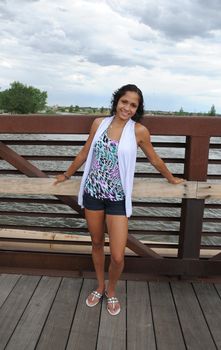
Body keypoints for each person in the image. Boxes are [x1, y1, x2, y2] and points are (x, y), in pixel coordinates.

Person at [54, 84, 184, 316]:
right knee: (96, 244)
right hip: (93, 193)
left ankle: (112, 290)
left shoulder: (139, 131)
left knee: (117, 255)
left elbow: (154, 159)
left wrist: (171, 178)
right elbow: (85, 152)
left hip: (117, 199)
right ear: (117, 101)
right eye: (124, 102)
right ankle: (100, 286)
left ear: (137, 109)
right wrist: (66, 174)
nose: (127, 107)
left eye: (133, 105)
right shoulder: (98, 123)